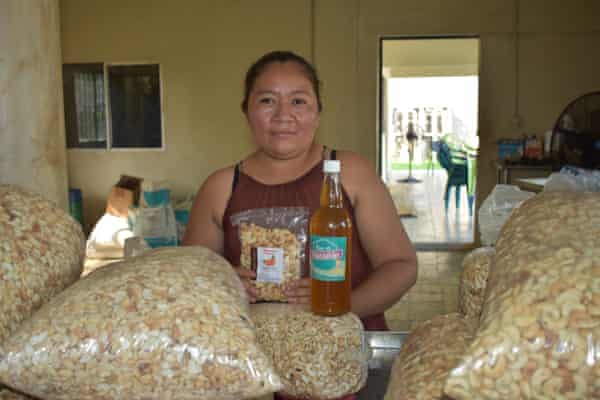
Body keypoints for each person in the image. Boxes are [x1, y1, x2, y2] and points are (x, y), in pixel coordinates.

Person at [183, 50, 417, 399]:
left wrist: (342, 302)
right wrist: (221, 284)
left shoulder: (349, 172)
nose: (283, 115)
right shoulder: (221, 187)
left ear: (318, 112)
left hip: (347, 363)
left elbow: (401, 266)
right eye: (267, 100)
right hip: (253, 370)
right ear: (247, 111)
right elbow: (187, 279)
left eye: (298, 101)